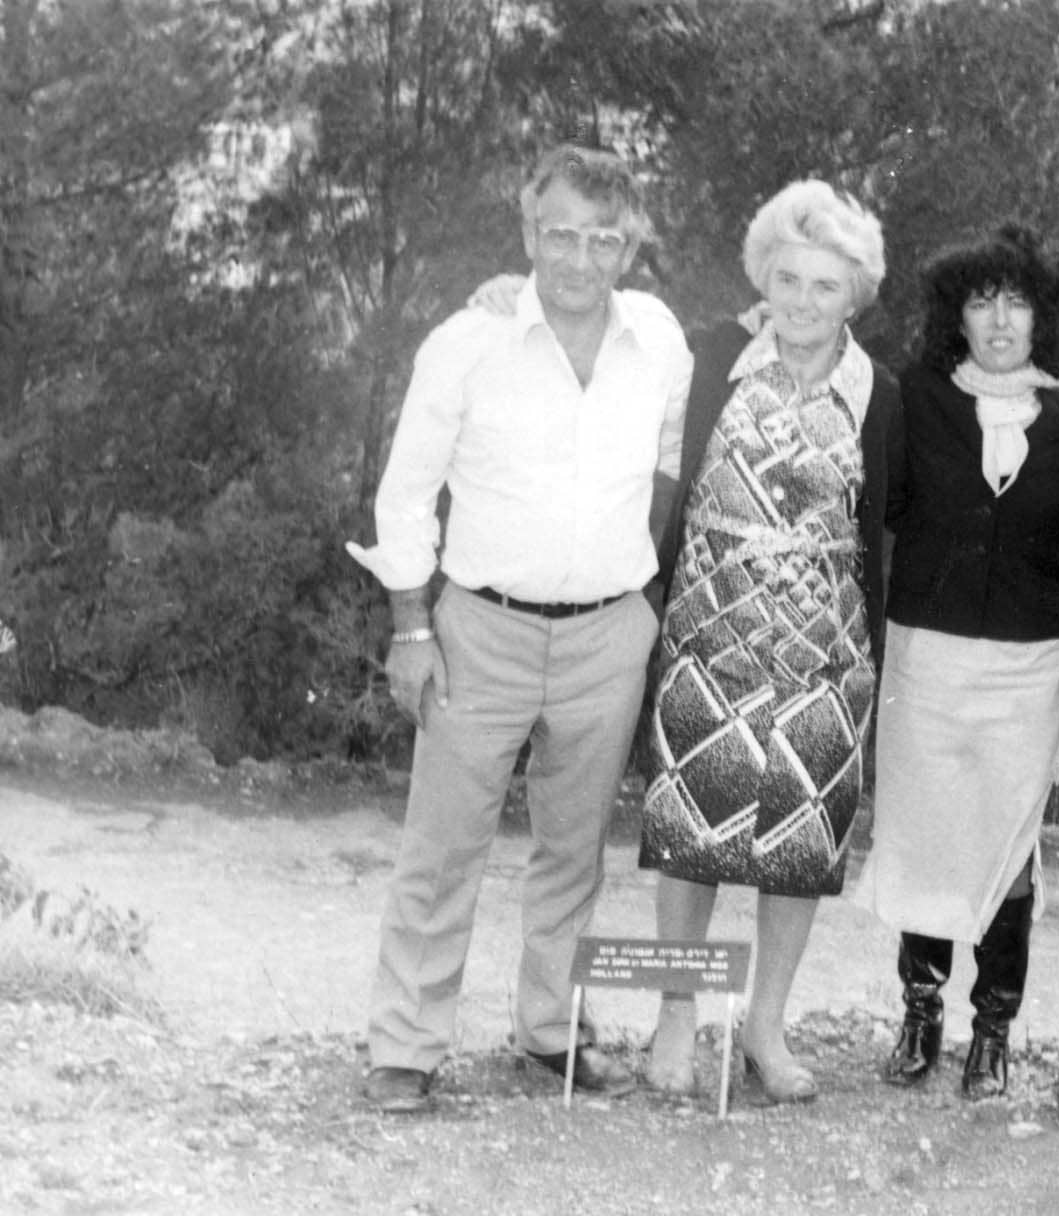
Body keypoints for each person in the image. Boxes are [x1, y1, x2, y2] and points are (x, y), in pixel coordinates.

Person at [345, 145, 693, 1115]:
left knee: (573, 852)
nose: (580, 259)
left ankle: (552, 1031)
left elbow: (674, 460)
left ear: (629, 247)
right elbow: (406, 493)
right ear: (529, 231)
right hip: (479, 631)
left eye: (603, 240)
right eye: (561, 234)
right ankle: (406, 1044)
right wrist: (411, 629)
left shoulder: (660, 340)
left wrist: (642, 592)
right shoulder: (468, 341)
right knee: (442, 848)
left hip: (608, 637)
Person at [637, 180, 901, 1104]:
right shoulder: (713, 357)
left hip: (823, 657)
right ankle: (676, 1016)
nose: (802, 301)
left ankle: (766, 1026)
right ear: (762, 278)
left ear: (854, 295)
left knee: (797, 844)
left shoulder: (880, 394)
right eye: (787, 279)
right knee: (690, 833)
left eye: (824, 286)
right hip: (709, 642)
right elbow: (628, 350)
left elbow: (891, 522)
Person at [849, 225, 1059, 1099]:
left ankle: (993, 1031)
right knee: (926, 837)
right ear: (956, 316)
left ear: (1044, 316)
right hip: (926, 658)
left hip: (1030, 666)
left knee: (1008, 847)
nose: (1001, 321)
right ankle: (920, 1015)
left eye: (1018, 302)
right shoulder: (911, 398)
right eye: (981, 302)